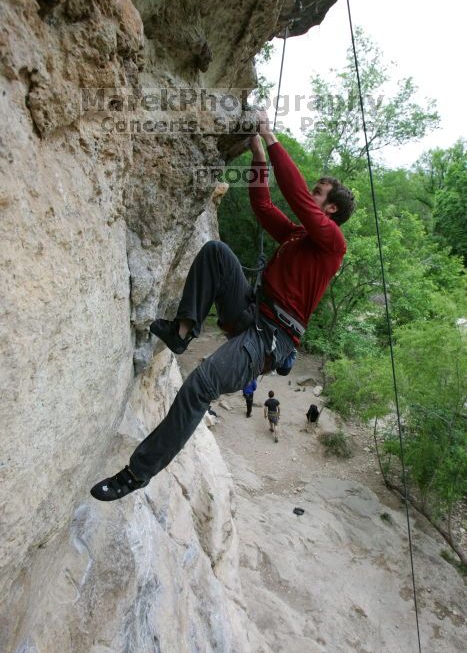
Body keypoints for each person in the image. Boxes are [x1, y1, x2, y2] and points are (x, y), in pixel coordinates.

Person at [90, 110, 355, 501]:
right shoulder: (300, 236)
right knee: (216, 252)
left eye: (319, 193)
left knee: (201, 386)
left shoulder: (331, 243)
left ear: (330, 210)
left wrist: (271, 137)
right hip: (252, 311)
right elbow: (264, 208)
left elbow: (298, 199)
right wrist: (257, 153)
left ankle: (136, 473)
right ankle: (183, 332)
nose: (311, 195)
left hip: (271, 336)